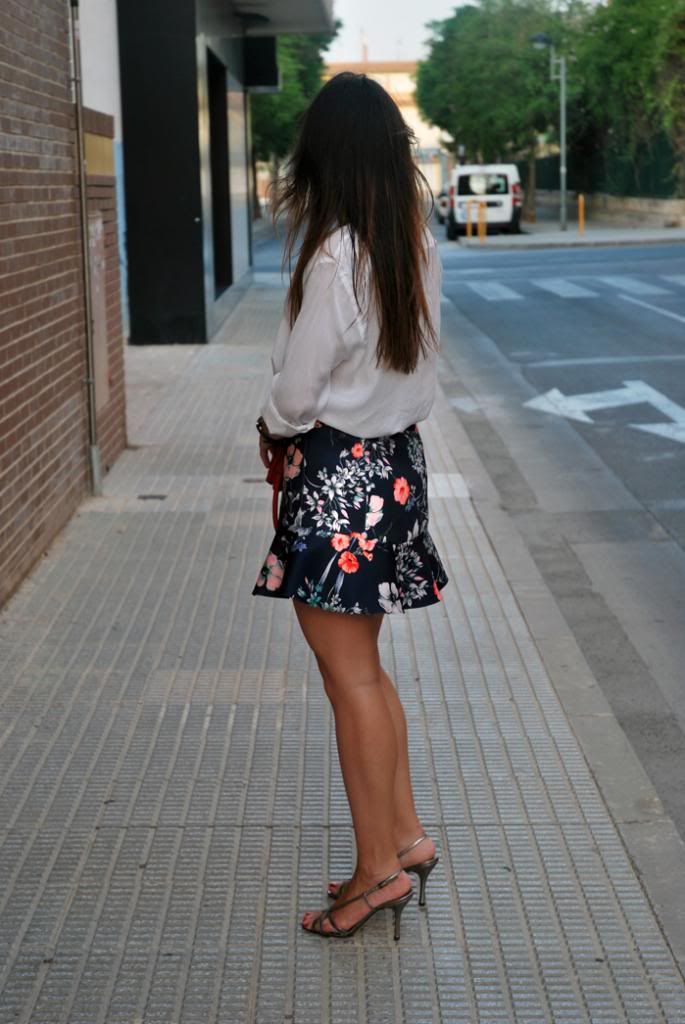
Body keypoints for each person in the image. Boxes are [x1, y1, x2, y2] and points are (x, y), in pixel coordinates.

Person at [252, 71, 448, 941]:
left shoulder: (337, 253)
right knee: (365, 670)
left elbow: (297, 391)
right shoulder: (410, 238)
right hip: (396, 467)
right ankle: (402, 840)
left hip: (336, 474)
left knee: (348, 677)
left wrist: (272, 427)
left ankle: (376, 875)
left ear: (323, 156)